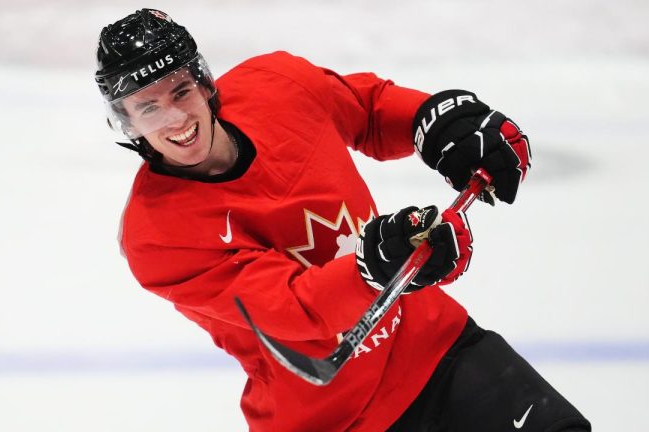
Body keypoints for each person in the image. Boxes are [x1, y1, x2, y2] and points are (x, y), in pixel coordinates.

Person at [94, 8, 591, 432]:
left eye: (180, 91)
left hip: (435, 347)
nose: (176, 119)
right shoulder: (156, 236)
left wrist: (433, 120)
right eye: (148, 107)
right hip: (332, 419)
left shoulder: (275, 84)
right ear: (127, 122)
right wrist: (379, 265)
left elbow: (367, 110)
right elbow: (294, 309)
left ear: (204, 84)